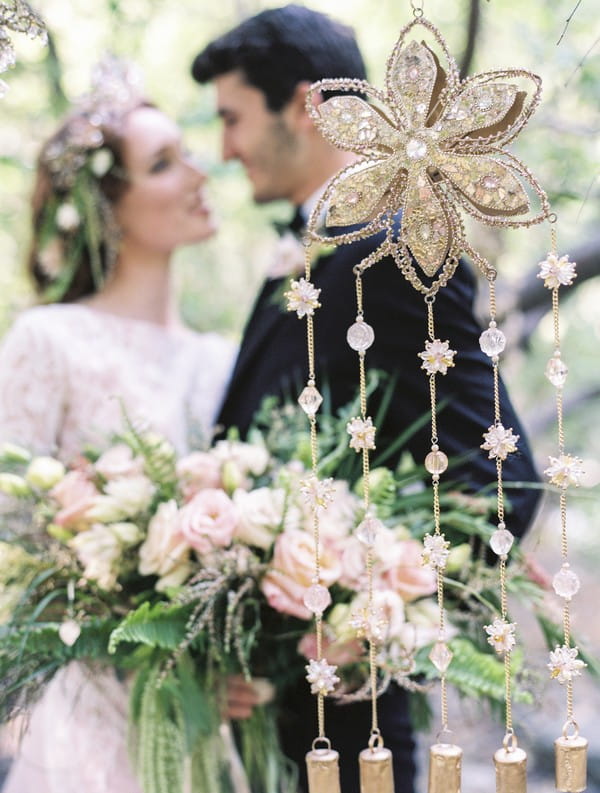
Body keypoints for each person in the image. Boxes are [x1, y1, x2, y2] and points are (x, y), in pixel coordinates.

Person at [192, 6, 541, 793]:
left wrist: (370, 625)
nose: (223, 149)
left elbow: (502, 476)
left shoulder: (397, 248)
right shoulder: (304, 249)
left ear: (306, 105)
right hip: (272, 731)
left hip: (353, 740)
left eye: (233, 119)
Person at [0, 60, 258, 793]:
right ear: (109, 205)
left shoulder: (225, 359)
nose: (199, 174)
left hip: (214, 729)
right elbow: (12, 543)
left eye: (189, 152)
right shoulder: (49, 341)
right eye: (164, 164)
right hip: (92, 722)